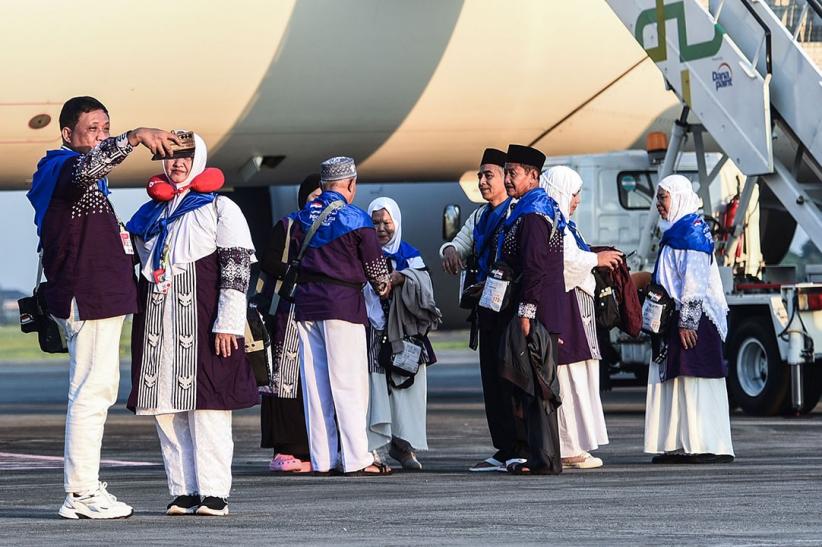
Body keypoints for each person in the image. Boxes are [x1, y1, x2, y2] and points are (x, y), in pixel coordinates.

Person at [27, 96, 180, 519]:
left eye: (105, 128)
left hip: (100, 295)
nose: (100, 136)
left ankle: (85, 488)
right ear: (67, 133)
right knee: (91, 393)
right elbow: (85, 169)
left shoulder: (87, 179)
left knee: (98, 389)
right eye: (92, 129)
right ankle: (81, 493)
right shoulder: (58, 168)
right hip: (87, 295)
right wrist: (133, 137)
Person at [126, 132, 259, 516]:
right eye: (170, 157)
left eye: (185, 157)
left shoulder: (220, 208)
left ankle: (214, 491)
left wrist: (229, 323)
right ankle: (183, 490)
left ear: (198, 159)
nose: (177, 164)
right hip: (157, 326)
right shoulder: (150, 213)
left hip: (204, 322)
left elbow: (236, 270)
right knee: (166, 410)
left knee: (210, 407)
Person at [286, 156, 392, 475]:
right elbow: (375, 267)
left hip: (306, 305)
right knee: (348, 383)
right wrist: (384, 285)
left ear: (322, 184)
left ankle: (322, 459)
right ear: (349, 184)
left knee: (315, 384)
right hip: (342, 305)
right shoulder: (355, 218)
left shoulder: (299, 218)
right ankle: (357, 458)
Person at [440, 148, 525, 473]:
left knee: (512, 378)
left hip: (510, 308)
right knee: (491, 379)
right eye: (480, 176)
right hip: (486, 307)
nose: (482, 182)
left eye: (487, 175)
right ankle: (503, 448)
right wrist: (449, 250)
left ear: (506, 177)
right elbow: (458, 243)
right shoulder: (479, 216)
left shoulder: (515, 213)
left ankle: (520, 446)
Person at [644, 175, 734, 464]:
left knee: (695, 379)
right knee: (679, 380)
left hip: (694, 320)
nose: (659, 204)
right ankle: (681, 444)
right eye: (658, 198)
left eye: (664, 198)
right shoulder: (677, 231)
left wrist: (688, 322)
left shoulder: (692, 234)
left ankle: (704, 443)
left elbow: (694, 283)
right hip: (678, 316)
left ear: (680, 197)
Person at [542, 166, 623, 469]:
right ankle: (567, 447)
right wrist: (596, 259)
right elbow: (563, 264)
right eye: (574, 194)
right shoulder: (553, 224)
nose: (577, 201)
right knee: (568, 377)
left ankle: (574, 444)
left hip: (577, 312)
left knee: (578, 376)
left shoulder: (564, 224)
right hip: (566, 312)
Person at [494, 144, 566, 475]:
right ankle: (542, 457)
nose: (507, 179)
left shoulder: (534, 214)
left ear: (533, 176)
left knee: (538, 385)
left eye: (513, 173)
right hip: (537, 307)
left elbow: (535, 267)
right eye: (506, 172)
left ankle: (545, 459)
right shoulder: (526, 208)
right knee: (534, 385)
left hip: (537, 311)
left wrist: (526, 312)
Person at [365, 197, 441, 470]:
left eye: (387, 222)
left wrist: (402, 278)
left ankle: (403, 445)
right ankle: (372, 447)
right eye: (375, 223)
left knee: (405, 388)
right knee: (374, 389)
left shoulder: (411, 254)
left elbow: (426, 287)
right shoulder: (363, 251)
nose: (382, 228)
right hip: (373, 333)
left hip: (405, 335)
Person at [257, 174, 321, 473]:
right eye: (313, 197)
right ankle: (286, 448)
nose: (317, 203)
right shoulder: (289, 225)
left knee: (314, 381)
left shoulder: (334, 228)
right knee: (284, 381)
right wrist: (302, 272)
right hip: (287, 312)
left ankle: (314, 447)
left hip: (317, 310)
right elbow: (269, 261)